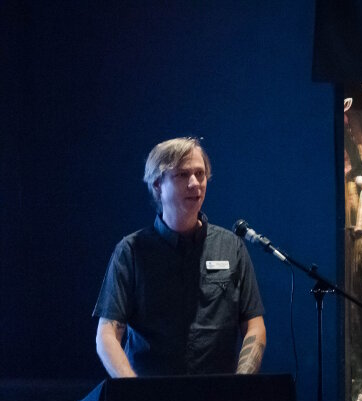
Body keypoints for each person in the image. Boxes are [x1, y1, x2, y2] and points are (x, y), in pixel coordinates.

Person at [93, 137, 266, 376]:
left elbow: (254, 325)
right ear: (157, 185)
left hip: (219, 399)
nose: (195, 183)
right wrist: (134, 393)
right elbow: (107, 335)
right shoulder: (131, 251)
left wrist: (240, 386)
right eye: (182, 175)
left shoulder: (231, 247)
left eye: (200, 174)